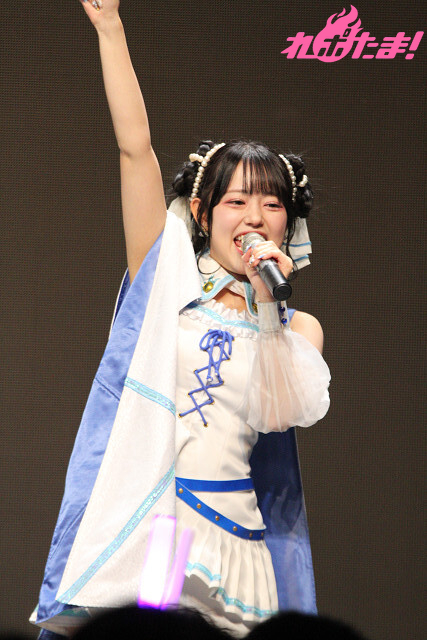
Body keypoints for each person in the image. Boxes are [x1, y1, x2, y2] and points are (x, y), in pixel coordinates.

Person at [30, 1, 330, 637]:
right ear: (202, 212)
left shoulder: (297, 327)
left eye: (271, 203)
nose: (254, 216)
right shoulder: (168, 285)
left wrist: (268, 303)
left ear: (289, 223)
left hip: (243, 546)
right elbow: (134, 150)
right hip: (164, 533)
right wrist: (110, 29)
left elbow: (280, 411)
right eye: (236, 200)